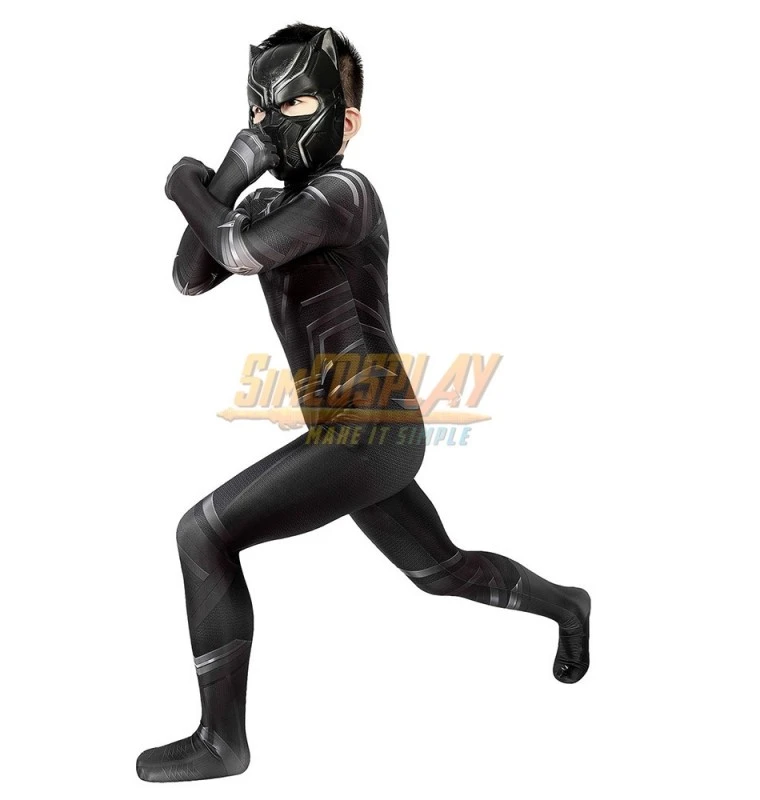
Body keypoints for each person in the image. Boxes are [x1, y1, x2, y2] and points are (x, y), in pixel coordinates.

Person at [137, 23, 591, 783]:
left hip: (369, 430)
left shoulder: (345, 195)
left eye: (294, 104)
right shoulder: (272, 207)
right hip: (351, 437)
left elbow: (232, 250)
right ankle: (568, 605)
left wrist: (194, 182)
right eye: (258, 109)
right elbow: (191, 275)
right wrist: (226, 177)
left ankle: (222, 741)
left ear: (346, 121)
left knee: (202, 535)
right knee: (439, 571)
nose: (269, 124)